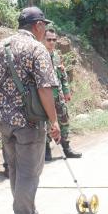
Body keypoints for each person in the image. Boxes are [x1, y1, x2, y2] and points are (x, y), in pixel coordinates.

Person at [0, 6, 61, 214]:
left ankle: (26, 213)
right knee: (30, 172)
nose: (45, 30)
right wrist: (54, 121)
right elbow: (44, 88)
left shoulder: (0, 47)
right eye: (44, 26)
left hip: (4, 122)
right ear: (37, 26)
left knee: (17, 169)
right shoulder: (37, 49)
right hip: (29, 122)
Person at [42, 28, 82, 161]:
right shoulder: (39, 56)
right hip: (45, 96)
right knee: (46, 123)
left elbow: (63, 75)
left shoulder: (57, 56)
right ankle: (46, 151)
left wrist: (66, 91)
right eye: (49, 39)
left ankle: (66, 148)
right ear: (43, 40)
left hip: (58, 95)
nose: (52, 42)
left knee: (64, 120)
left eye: (54, 40)